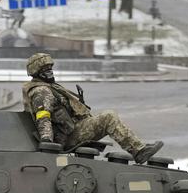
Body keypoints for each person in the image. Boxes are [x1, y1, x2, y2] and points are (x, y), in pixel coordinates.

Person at [22, 53, 163, 163]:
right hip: (66, 138)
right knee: (108, 117)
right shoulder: (41, 91)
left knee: (107, 116)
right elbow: (43, 116)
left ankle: (138, 149)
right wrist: (47, 143)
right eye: (45, 70)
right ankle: (138, 151)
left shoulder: (50, 87)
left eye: (50, 68)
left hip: (70, 131)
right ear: (37, 72)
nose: (50, 72)